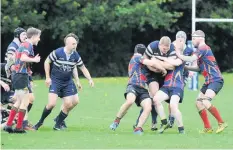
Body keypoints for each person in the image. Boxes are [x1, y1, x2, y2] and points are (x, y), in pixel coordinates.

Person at [33, 33, 94, 131]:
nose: (75, 46)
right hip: (56, 81)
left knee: (69, 103)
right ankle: (40, 122)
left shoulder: (75, 55)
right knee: (51, 104)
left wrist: (89, 79)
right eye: (73, 44)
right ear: (67, 44)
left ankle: (57, 125)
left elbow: (82, 67)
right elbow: (46, 62)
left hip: (67, 82)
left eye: (76, 44)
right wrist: (48, 77)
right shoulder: (58, 52)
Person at [176, 30, 227, 133]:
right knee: (198, 102)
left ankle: (222, 123)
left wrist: (179, 55)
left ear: (201, 38)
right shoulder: (200, 50)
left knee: (205, 100)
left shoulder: (203, 47)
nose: (193, 41)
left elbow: (191, 59)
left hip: (215, 79)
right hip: (209, 81)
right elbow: (197, 68)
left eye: (194, 38)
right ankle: (208, 128)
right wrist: (184, 67)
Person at [110, 44, 167, 134]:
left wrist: (158, 68)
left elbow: (152, 68)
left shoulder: (141, 63)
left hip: (142, 89)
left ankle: (138, 128)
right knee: (130, 101)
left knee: (148, 107)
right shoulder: (137, 57)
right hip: (133, 85)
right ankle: (116, 121)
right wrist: (163, 69)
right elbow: (152, 63)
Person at [3, 27, 41, 133]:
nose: (39, 39)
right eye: (38, 37)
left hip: (17, 75)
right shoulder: (27, 45)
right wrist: (35, 60)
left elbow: (17, 59)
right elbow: (23, 58)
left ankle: (9, 125)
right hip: (21, 76)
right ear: (33, 36)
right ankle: (19, 127)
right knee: (25, 101)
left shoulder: (23, 44)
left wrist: (28, 68)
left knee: (18, 101)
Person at [133, 36, 176, 130]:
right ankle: (151, 122)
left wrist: (157, 63)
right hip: (152, 73)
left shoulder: (172, 49)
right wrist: (159, 67)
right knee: (154, 96)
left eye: (167, 48)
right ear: (159, 45)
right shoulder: (152, 46)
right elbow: (147, 63)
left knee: (167, 99)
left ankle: (168, 121)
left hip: (166, 75)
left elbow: (172, 66)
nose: (165, 51)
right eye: (163, 48)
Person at [153, 40, 186, 134]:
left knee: (173, 105)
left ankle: (181, 129)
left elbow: (174, 64)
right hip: (167, 85)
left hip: (177, 86)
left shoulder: (181, 57)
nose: (171, 48)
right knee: (156, 99)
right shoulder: (168, 57)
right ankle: (164, 122)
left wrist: (159, 59)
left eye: (174, 47)